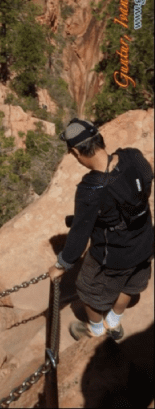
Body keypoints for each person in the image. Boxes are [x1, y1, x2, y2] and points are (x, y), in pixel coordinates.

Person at [48, 118, 153, 342]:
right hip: (145, 242)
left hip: (114, 255)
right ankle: (114, 322)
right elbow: (147, 181)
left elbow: (78, 235)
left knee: (87, 289)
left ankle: (97, 331)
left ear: (76, 152)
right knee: (132, 284)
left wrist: (62, 264)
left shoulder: (91, 188)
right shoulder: (132, 156)